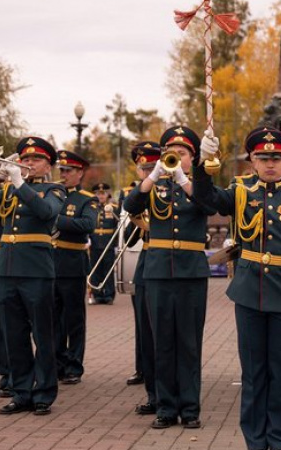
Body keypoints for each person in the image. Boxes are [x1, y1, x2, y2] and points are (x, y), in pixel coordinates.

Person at [193, 127, 281, 450]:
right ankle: (254, 442)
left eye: (276, 158)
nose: (270, 164)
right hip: (250, 295)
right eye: (263, 158)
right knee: (253, 375)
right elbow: (205, 199)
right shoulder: (239, 193)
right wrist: (203, 162)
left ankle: (278, 442)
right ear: (251, 160)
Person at [124, 126, 215, 430]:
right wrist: (152, 176)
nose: (177, 157)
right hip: (159, 273)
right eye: (171, 153)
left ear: (193, 157)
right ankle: (165, 407)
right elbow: (131, 206)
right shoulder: (155, 185)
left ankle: (190, 409)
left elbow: (209, 204)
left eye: (184, 153)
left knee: (188, 343)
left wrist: (185, 179)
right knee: (161, 342)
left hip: (190, 273)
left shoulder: (199, 182)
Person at [0, 136, 65, 416]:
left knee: (43, 334)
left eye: (36, 159)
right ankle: (21, 391)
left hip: (36, 271)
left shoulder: (54, 190)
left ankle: (44, 393)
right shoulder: (9, 191)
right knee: (14, 335)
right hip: (6, 269)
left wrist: (20, 183)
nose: (29, 163)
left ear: (48, 165)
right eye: (25, 159)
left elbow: (45, 212)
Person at [53, 151, 98, 385]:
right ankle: (57, 363)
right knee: (53, 319)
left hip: (72, 264)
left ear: (80, 173)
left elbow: (88, 224)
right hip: (50, 264)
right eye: (61, 170)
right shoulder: (51, 193)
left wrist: (56, 219)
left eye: (68, 171)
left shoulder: (86, 199)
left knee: (74, 319)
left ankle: (74, 366)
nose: (63, 174)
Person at [123, 142, 161, 414]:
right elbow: (128, 239)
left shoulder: (168, 189)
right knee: (145, 334)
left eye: (151, 166)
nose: (146, 170)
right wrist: (139, 225)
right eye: (143, 167)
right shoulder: (138, 193)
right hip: (146, 264)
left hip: (166, 264)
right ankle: (153, 393)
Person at [88, 182, 119, 305]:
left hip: (108, 243)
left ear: (108, 195)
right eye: (98, 194)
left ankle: (109, 295)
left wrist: (116, 244)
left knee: (108, 271)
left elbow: (117, 227)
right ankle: (97, 295)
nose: (101, 196)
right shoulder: (91, 207)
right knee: (95, 270)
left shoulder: (114, 208)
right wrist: (88, 239)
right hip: (94, 243)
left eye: (103, 194)